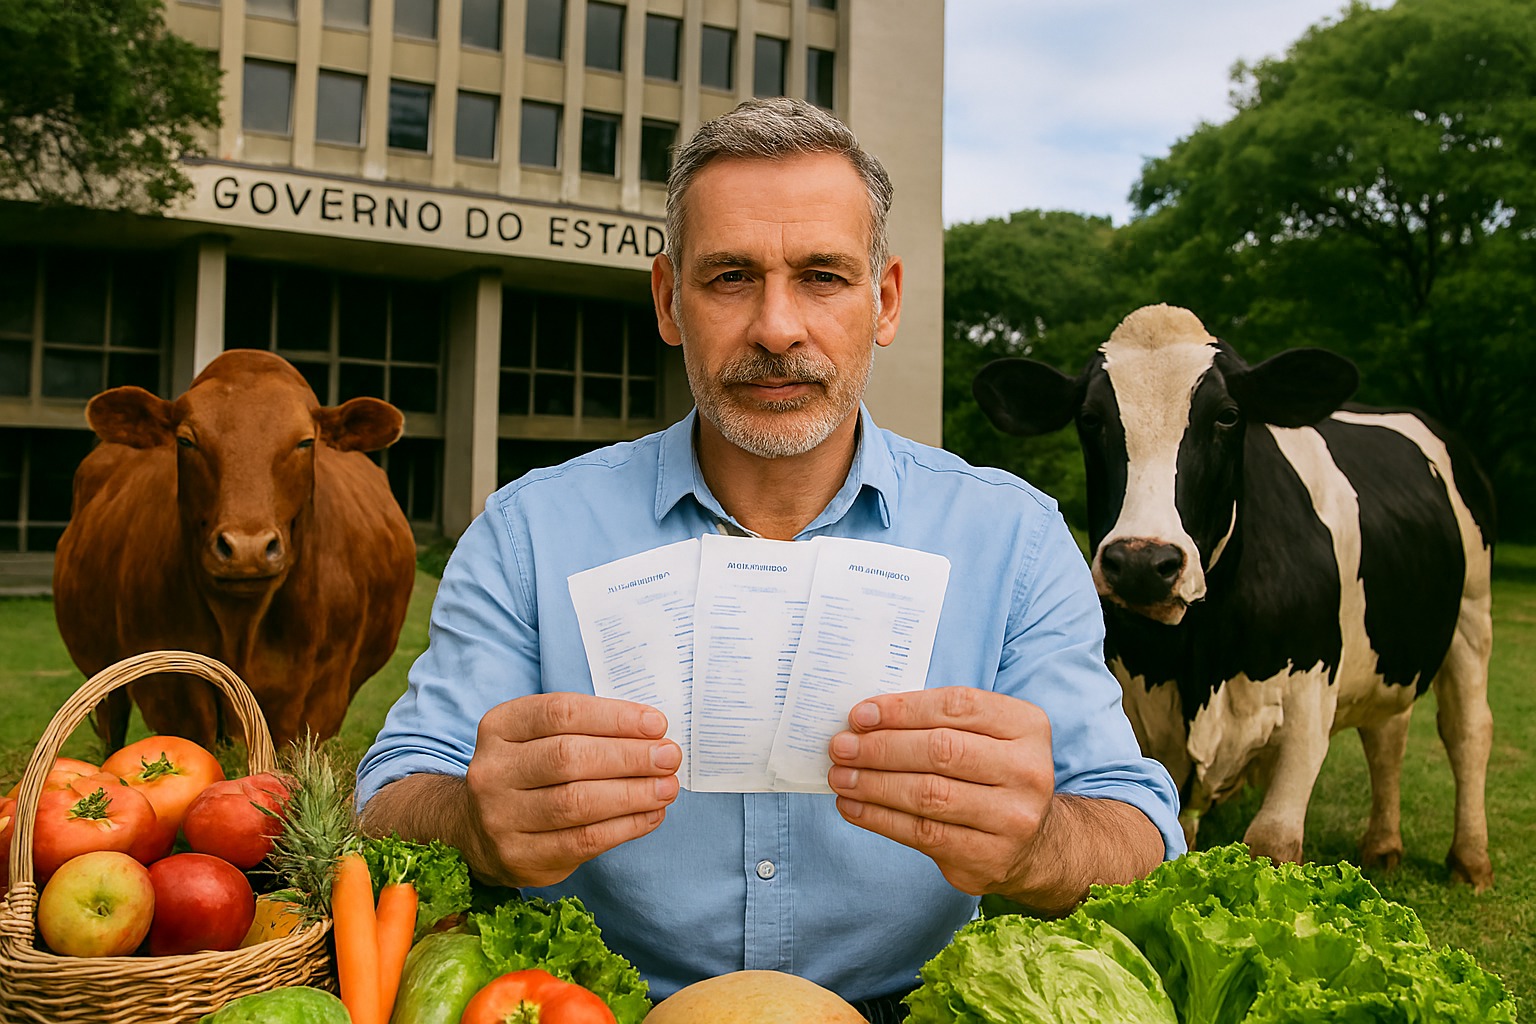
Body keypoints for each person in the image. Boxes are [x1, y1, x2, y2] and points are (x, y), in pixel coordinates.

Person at [355, 96, 1184, 1020]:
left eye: (823, 276)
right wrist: (470, 817)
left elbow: (1140, 828)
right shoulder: (529, 531)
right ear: (670, 300)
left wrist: (1040, 847)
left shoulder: (1015, 539)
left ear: (886, 300)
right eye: (730, 278)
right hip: (595, 1009)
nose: (778, 327)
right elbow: (386, 797)